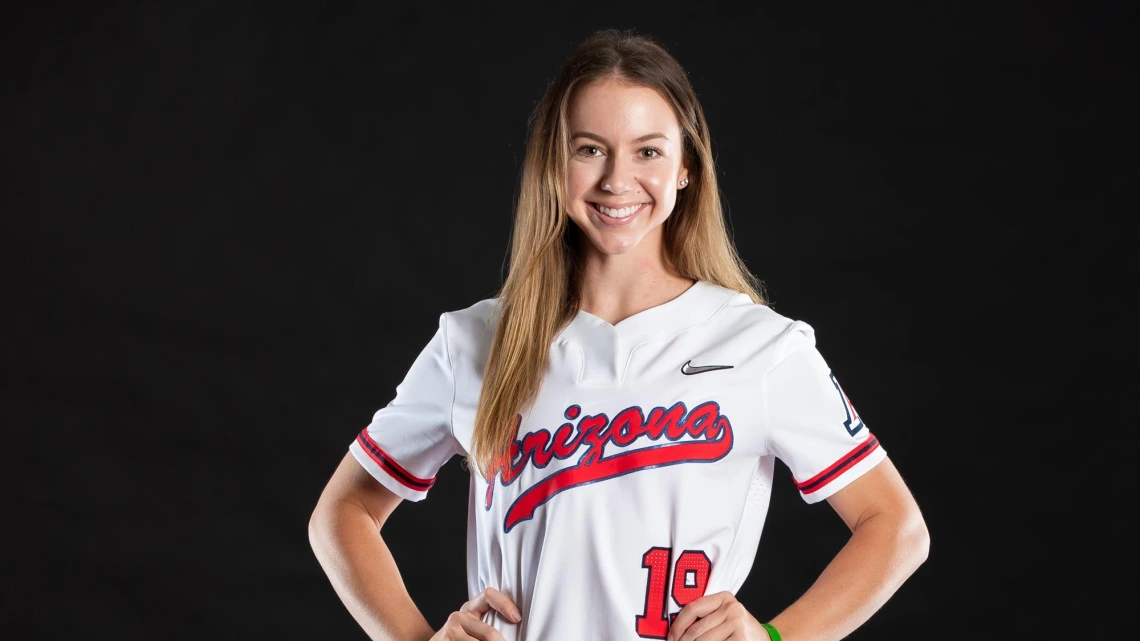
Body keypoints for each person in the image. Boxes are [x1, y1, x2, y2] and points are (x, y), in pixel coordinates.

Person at [308, 28, 929, 641]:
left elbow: (895, 527)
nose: (616, 180)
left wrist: (775, 638)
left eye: (648, 151)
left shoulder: (759, 348)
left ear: (686, 166)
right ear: (555, 163)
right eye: (589, 149)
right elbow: (342, 512)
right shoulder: (476, 339)